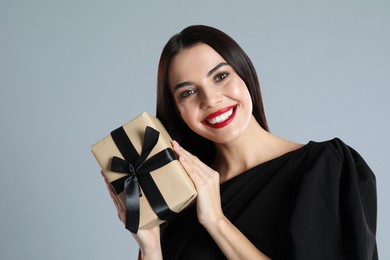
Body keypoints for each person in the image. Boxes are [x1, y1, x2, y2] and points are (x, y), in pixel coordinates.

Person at [102, 25, 378, 259]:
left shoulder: (325, 168)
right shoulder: (177, 202)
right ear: (177, 112)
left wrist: (216, 221)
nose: (210, 100)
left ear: (245, 74)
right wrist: (150, 248)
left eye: (221, 76)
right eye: (187, 92)